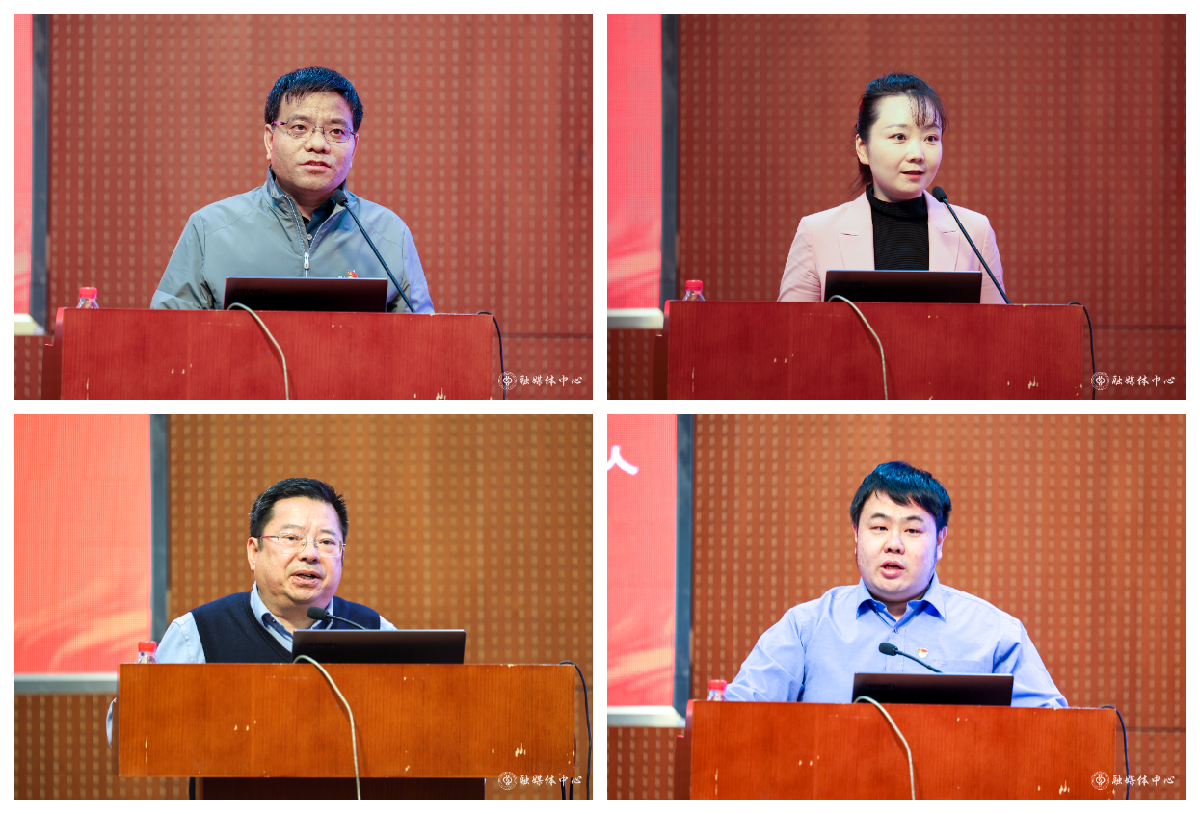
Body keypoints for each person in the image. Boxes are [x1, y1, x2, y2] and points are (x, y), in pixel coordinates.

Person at [725, 461, 1066, 707]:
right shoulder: (806, 629)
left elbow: (1051, 731)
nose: (894, 544)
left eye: (912, 530)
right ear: (856, 535)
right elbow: (736, 716)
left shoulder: (995, 634)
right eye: (879, 527)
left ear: (940, 540)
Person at [106, 477, 398, 745]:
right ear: (254, 552)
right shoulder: (198, 633)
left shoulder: (373, 632)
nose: (310, 554)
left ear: (342, 555)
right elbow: (131, 735)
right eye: (291, 538)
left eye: (326, 542)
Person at [149, 66, 434, 313]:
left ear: (354, 147)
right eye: (299, 127)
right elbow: (169, 337)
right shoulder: (210, 230)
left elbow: (422, 343)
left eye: (336, 132)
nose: (318, 144)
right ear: (269, 140)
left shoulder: (389, 235)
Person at [778, 73, 1006, 304]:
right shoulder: (817, 234)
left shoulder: (975, 232)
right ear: (863, 148)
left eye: (930, 138)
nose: (917, 154)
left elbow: (997, 324)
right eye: (899, 136)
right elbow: (793, 325)